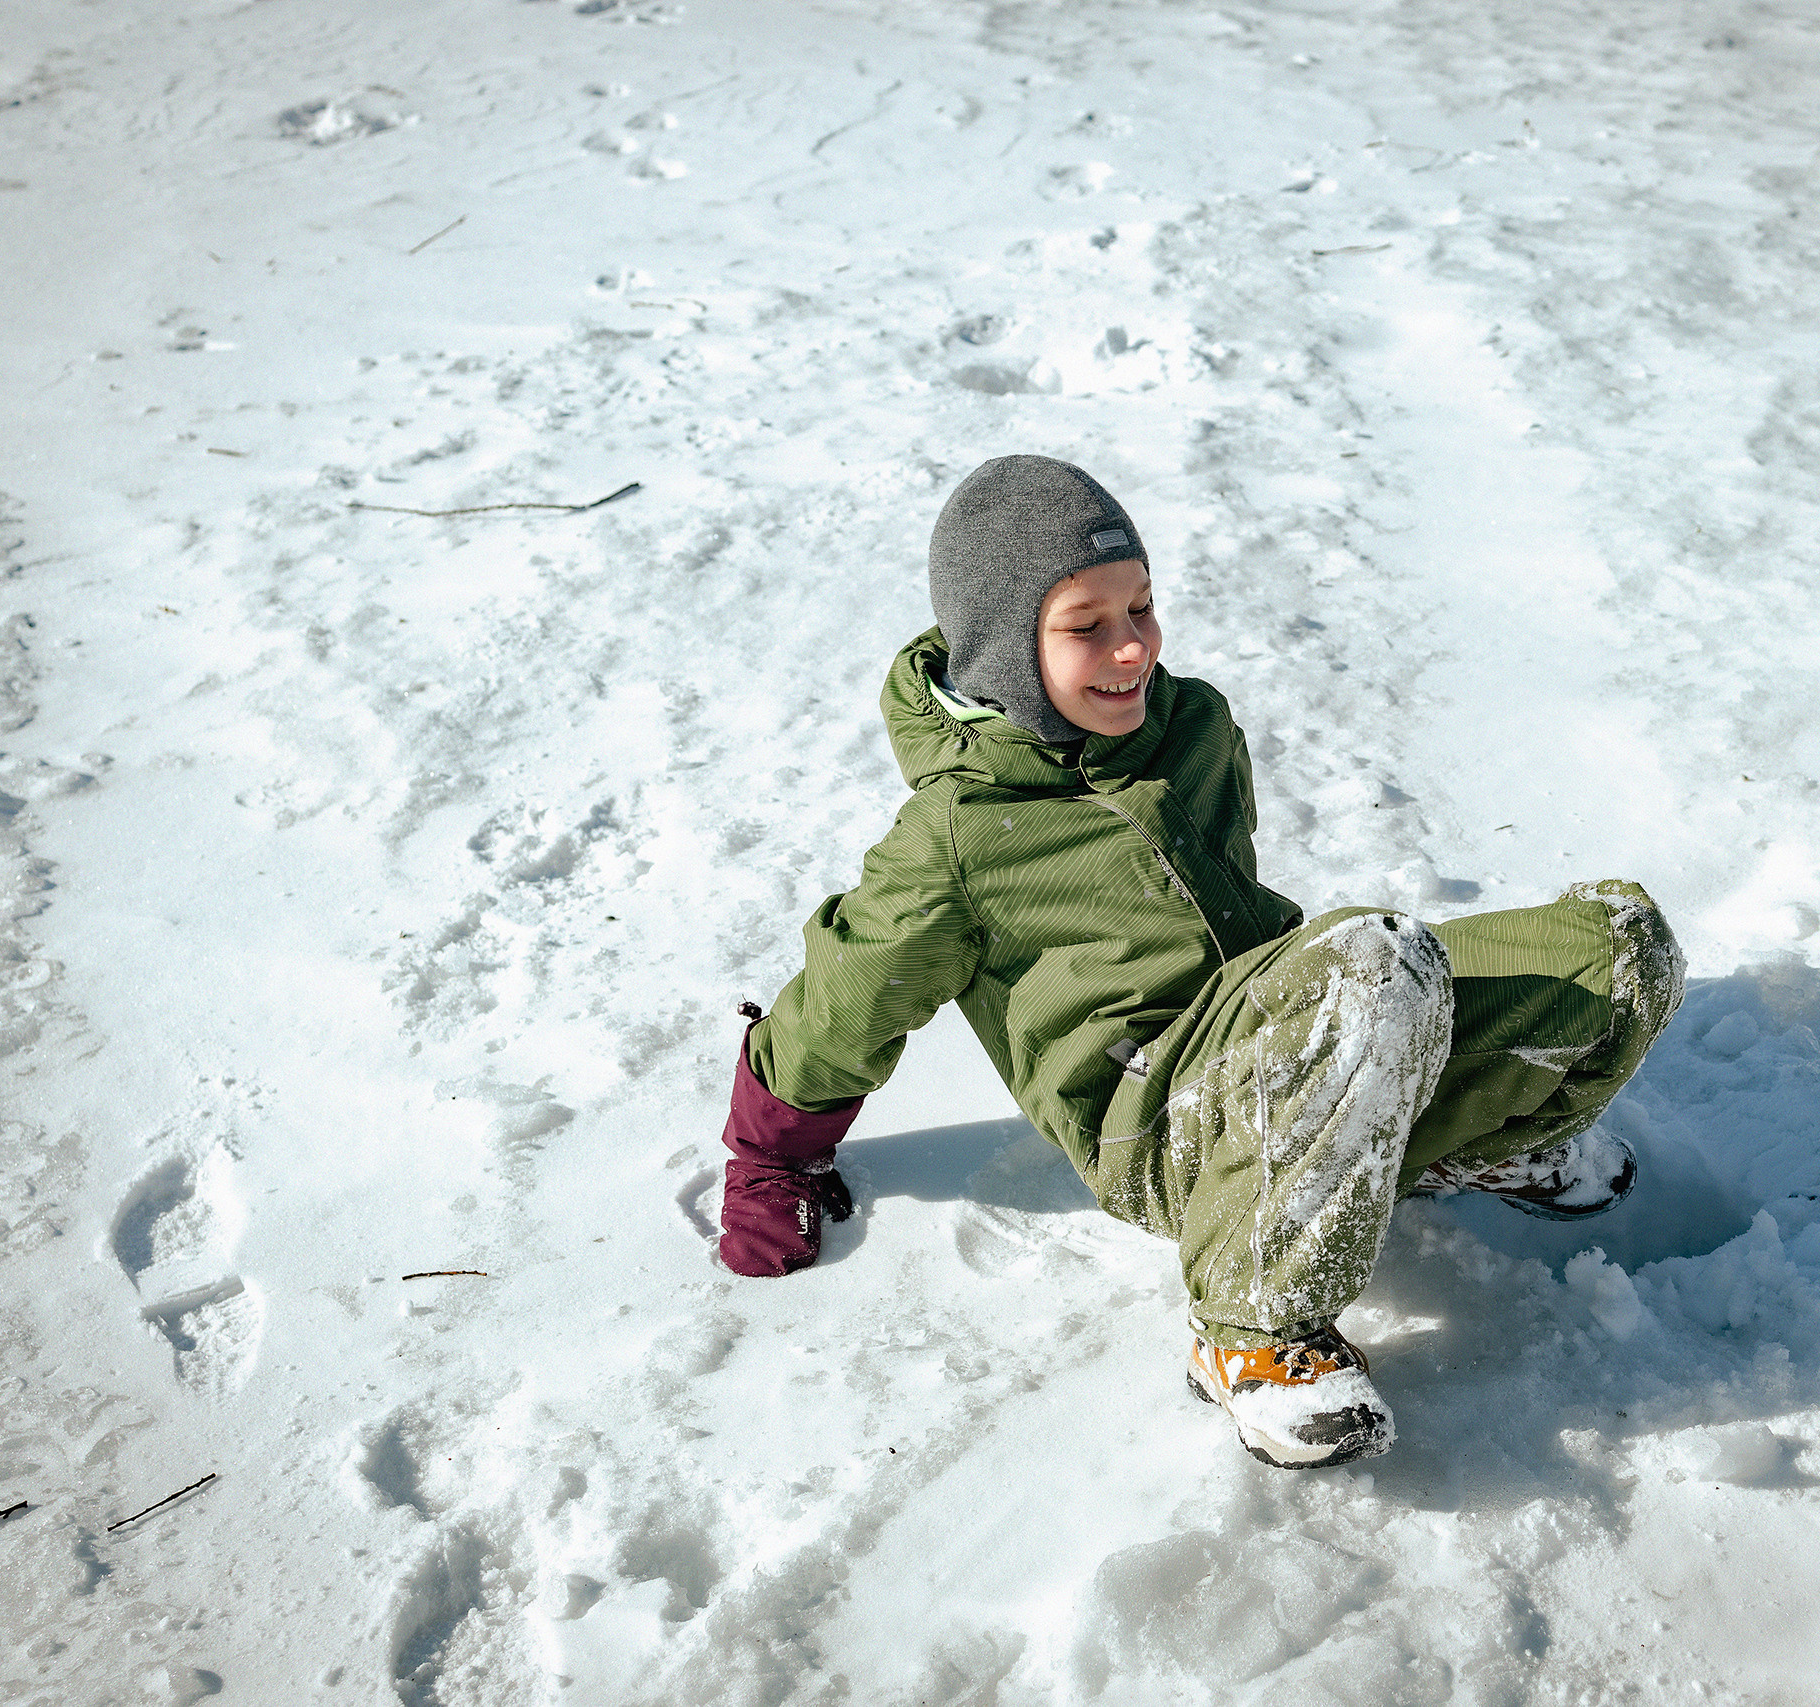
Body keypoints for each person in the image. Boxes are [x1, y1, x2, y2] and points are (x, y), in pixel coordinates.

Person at [716, 455, 1685, 1469]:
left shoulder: (1193, 729)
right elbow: (849, 994)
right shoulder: (960, 834)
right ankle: (1254, 1338)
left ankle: (1447, 1138)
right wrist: (770, 1152)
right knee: (1375, 963)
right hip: (1157, 1123)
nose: (1131, 645)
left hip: (1290, 1043)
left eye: (1141, 605)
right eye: (1085, 624)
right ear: (1006, 648)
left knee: (1620, 947)